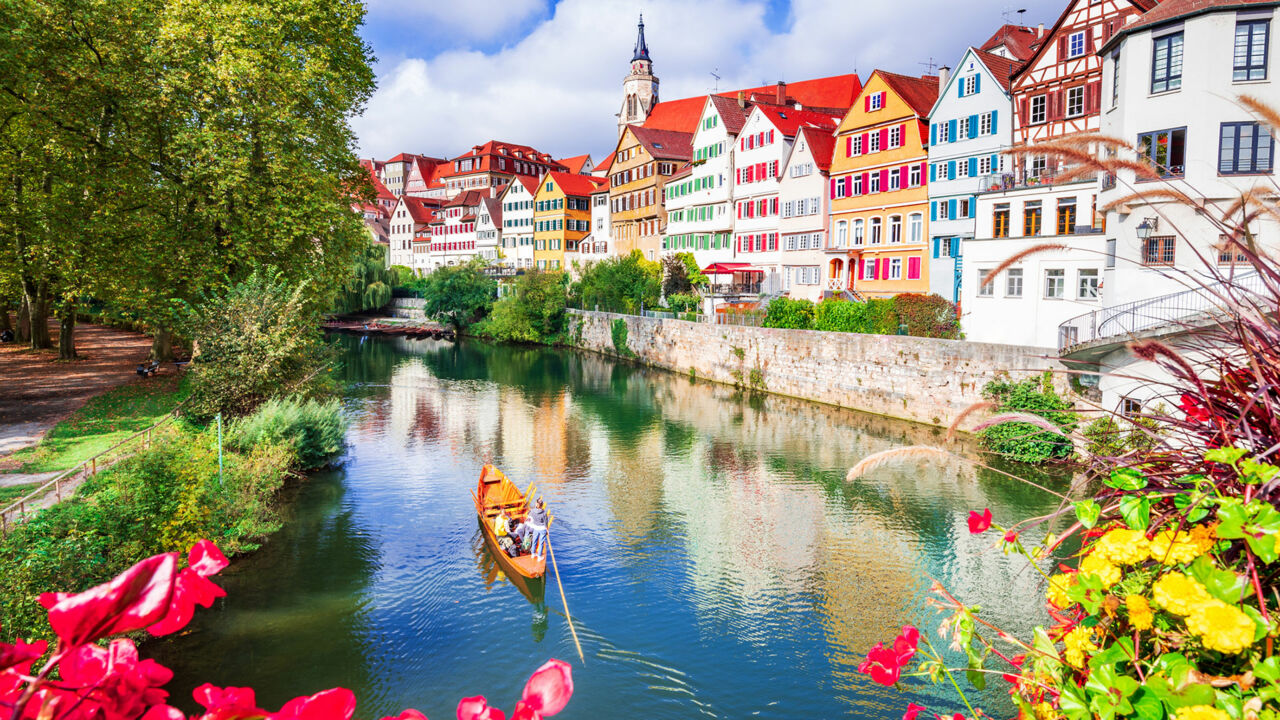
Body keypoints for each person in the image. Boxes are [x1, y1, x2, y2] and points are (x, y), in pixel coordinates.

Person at [527, 497, 549, 562]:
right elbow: (546, 523)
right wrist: (547, 530)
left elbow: (528, 514)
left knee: (534, 541)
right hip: (542, 529)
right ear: (542, 505)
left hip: (536, 528)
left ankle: (533, 554)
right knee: (541, 543)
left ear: (536, 504)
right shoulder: (544, 513)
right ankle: (539, 556)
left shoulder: (532, 511)